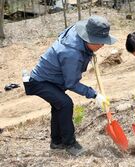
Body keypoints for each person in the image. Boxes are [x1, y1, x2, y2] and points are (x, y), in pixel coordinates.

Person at [23, 16, 116, 156]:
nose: (102, 45)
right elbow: (71, 83)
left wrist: (89, 53)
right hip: (40, 81)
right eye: (100, 42)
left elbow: (81, 51)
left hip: (52, 79)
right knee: (65, 104)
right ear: (89, 39)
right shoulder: (71, 54)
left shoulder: (78, 33)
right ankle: (70, 144)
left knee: (59, 105)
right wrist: (94, 94)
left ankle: (56, 142)